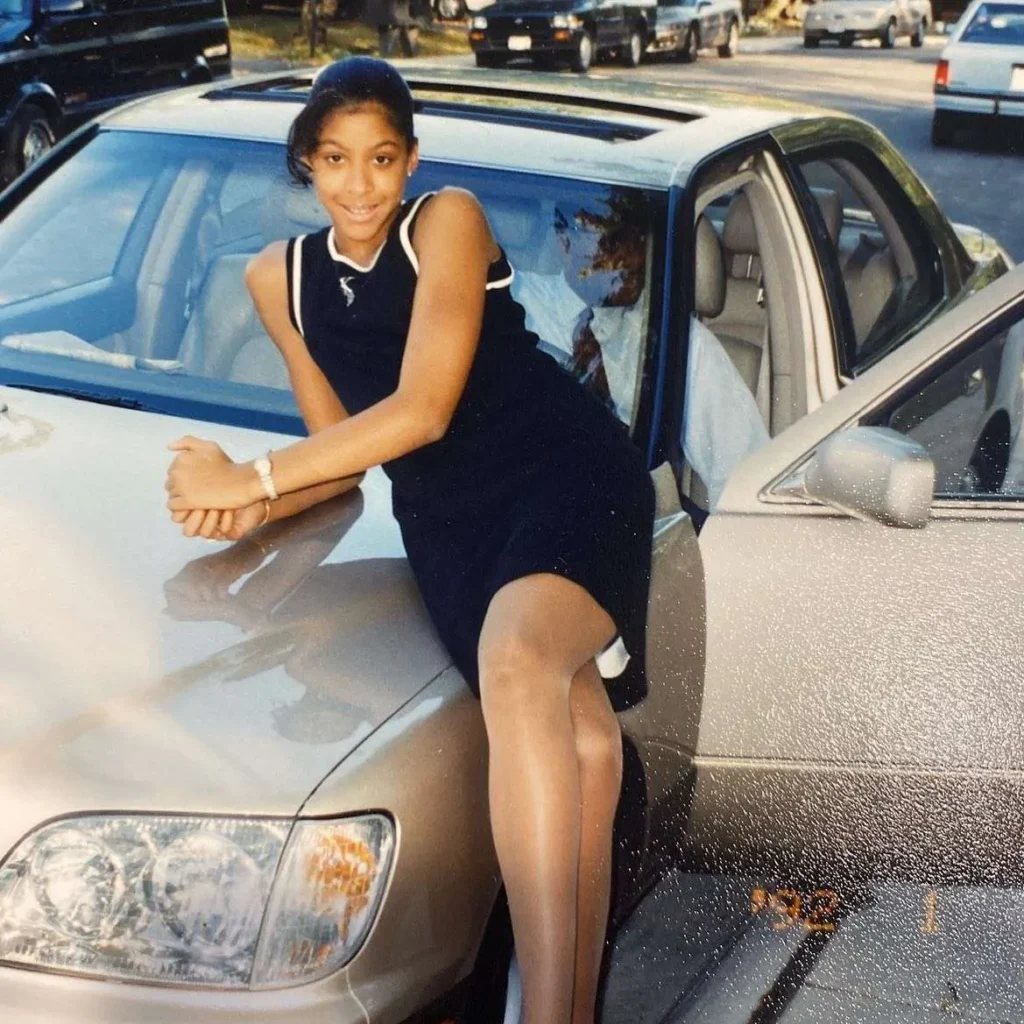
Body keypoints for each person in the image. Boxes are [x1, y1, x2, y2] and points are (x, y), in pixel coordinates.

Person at [163, 56, 656, 1024]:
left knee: (518, 662)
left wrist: (245, 480)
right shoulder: (280, 280)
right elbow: (338, 456)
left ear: (411, 161)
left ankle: (551, 1014)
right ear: (305, 163)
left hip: (562, 470)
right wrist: (238, 504)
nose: (360, 183)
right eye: (336, 159)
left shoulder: (447, 221)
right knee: (581, 741)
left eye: (383, 158)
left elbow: (423, 409)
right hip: (449, 517)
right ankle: (572, 1003)